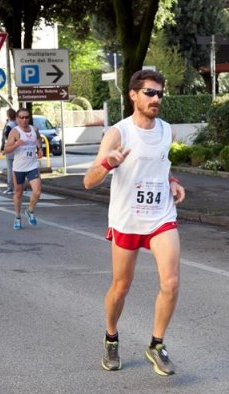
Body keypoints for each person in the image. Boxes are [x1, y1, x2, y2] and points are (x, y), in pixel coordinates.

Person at [83, 70, 186, 376]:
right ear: (133, 95)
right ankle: (111, 337)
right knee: (121, 286)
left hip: (161, 217)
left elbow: (158, 166)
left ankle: (156, 344)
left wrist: (172, 181)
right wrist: (108, 163)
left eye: (160, 94)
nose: (156, 99)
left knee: (171, 282)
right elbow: (88, 181)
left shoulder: (168, 131)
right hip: (127, 220)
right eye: (149, 93)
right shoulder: (118, 133)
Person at [3, 108, 43, 230]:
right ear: (17, 118)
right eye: (21, 117)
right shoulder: (15, 132)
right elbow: (6, 150)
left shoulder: (34, 129)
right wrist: (16, 144)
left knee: (37, 191)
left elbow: (38, 139)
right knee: (18, 192)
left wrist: (39, 149)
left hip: (32, 165)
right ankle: (17, 217)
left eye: (26, 117)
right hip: (19, 167)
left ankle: (30, 210)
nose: (24, 120)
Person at [0, 108, 17, 195]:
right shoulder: (17, 124)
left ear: (8, 115)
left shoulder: (9, 125)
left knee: (10, 169)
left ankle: (10, 188)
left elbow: (6, 137)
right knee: (19, 168)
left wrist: (4, 149)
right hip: (18, 149)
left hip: (10, 149)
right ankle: (21, 187)